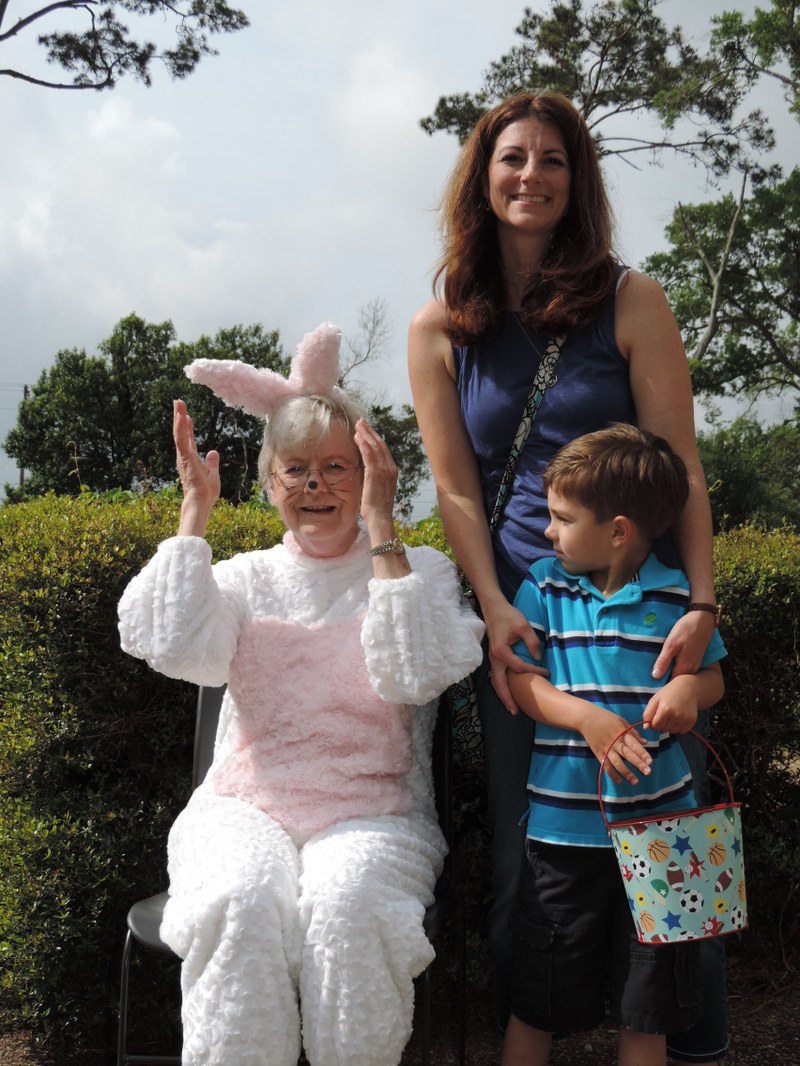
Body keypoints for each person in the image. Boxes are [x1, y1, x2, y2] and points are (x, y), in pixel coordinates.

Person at [407, 91, 726, 1064]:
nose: (531, 176)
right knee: (530, 849)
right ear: (482, 175)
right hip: (526, 623)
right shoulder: (439, 327)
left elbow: (679, 467)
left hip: (642, 616)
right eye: (513, 157)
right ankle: (536, 1039)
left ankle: (689, 1043)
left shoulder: (632, 299)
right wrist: (494, 606)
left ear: (576, 180)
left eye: (553, 160)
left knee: (668, 844)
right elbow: (455, 490)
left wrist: (701, 603)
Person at [117, 322, 485, 1066]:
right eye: (295, 469)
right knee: (242, 899)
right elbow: (177, 649)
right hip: (243, 807)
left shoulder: (421, 570)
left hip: (376, 813)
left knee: (348, 907)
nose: (315, 485)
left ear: (371, 473)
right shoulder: (243, 578)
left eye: (336, 467)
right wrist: (193, 517)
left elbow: (414, 675)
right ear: (269, 482)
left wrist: (382, 531)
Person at [501, 424, 726, 1066]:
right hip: (561, 838)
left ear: (619, 530)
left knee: (648, 1008)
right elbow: (521, 681)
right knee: (536, 999)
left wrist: (690, 689)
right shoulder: (543, 588)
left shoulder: (678, 598)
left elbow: (713, 677)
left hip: (664, 840)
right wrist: (587, 720)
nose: (548, 532)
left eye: (562, 519)